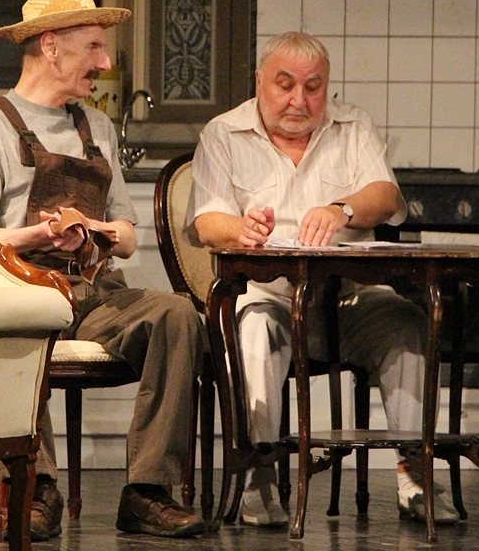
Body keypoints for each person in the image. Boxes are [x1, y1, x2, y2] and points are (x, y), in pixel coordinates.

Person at [0, 0, 206, 540]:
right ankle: (35, 487)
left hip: (94, 291)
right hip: (23, 288)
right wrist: (40, 233)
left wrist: (95, 233)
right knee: (14, 323)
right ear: (50, 46)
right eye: (93, 46)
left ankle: (146, 491)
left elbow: (129, 235)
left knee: (178, 315)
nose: (105, 63)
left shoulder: (97, 127)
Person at [186, 31, 460, 526]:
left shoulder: (352, 126)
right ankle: (259, 479)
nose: (299, 99)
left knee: (408, 324)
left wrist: (342, 209)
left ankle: (415, 474)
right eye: (285, 84)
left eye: (313, 87)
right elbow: (207, 221)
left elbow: (385, 195)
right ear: (260, 82)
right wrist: (242, 229)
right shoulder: (223, 134)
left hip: (350, 301)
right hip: (269, 297)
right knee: (253, 329)